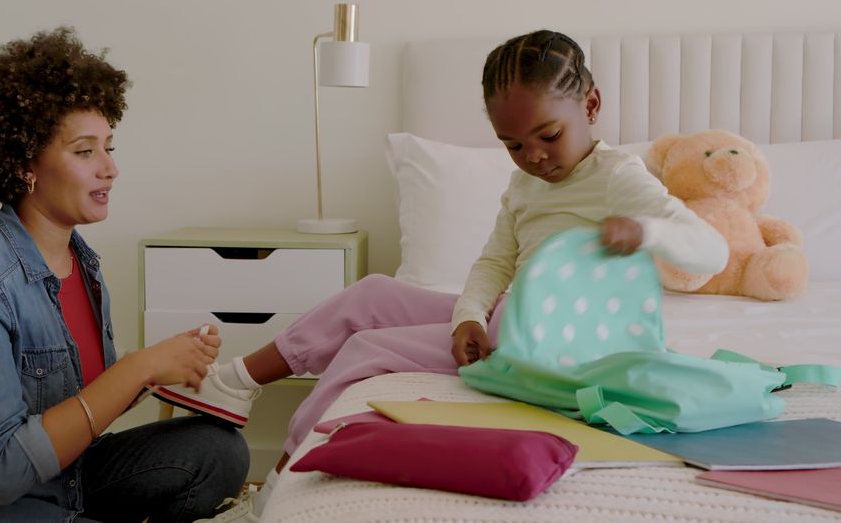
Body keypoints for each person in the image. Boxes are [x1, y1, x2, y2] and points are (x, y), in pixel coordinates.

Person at [166, 30, 731, 522]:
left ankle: (280, 481)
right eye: (513, 145)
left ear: (591, 105)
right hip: (515, 318)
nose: (533, 156)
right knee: (373, 293)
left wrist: (646, 233)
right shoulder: (527, 185)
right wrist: (466, 316)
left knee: (365, 347)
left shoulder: (619, 179)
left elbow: (711, 251)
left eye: (547, 136)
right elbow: (493, 263)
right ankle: (238, 381)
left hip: (563, 342)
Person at [0, 27, 249, 523]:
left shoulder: (80, 260)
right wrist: (136, 368)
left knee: (218, 450)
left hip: (64, 481)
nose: (110, 169)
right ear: (23, 165)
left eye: (109, 147)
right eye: (84, 152)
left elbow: (83, 403)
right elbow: (3, 469)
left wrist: (162, 368)